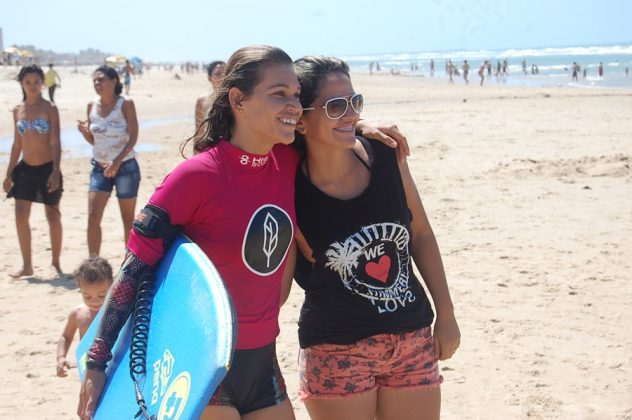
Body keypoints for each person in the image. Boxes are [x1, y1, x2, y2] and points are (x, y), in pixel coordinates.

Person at [77, 45, 407, 420]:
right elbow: (133, 269)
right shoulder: (196, 177)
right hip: (202, 363)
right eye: (279, 94)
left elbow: (327, 128)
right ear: (238, 100)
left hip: (263, 360)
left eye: (296, 95)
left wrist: (362, 127)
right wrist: (96, 363)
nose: (294, 106)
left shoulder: (286, 160)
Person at [287, 56, 460, 420]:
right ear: (300, 119)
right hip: (336, 349)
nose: (349, 114)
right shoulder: (283, 183)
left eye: (355, 102)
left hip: (412, 337)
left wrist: (446, 313)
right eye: (335, 106)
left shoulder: (385, 153)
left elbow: (422, 234)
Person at [3, 64, 63, 278]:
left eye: (37, 82)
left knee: (53, 216)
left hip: (47, 169)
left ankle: (56, 263)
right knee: (20, 215)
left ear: (42, 83)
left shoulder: (49, 108)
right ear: (22, 84)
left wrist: (55, 170)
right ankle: (27, 265)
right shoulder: (18, 110)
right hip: (25, 170)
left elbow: (55, 141)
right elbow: (17, 145)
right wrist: (8, 173)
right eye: (28, 82)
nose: (33, 86)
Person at [77, 65, 140, 256]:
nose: (97, 83)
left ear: (114, 82)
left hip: (126, 166)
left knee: (127, 219)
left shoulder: (125, 103)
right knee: (92, 216)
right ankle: (93, 262)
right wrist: (84, 133)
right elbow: (94, 140)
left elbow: (133, 136)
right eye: (95, 80)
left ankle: (129, 264)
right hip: (99, 167)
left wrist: (117, 161)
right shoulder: (91, 105)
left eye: (101, 79)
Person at [56, 256, 113, 377]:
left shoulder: (116, 312)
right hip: (89, 368)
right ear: (80, 289)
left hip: (113, 364)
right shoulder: (78, 315)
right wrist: (61, 357)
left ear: (112, 286)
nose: (94, 301)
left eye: (102, 295)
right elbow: (66, 337)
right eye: (87, 296)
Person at [194, 60, 226, 140]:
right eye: (217, 74)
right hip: (210, 147)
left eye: (225, 73)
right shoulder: (202, 100)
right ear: (209, 78)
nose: (222, 77)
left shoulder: (236, 99)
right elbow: (199, 131)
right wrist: (197, 152)